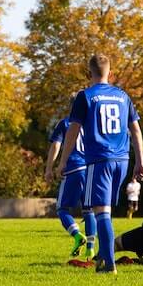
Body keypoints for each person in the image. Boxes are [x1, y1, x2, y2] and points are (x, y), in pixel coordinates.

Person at [57, 54, 143, 274]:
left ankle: (108, 263)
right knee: (105, 211)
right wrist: (140, 161)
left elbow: (73, 130)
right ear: (111, 73)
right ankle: (103, 259)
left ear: (89, 74)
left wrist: (63, 161)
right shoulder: (123, 96)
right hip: (123, 160)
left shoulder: (85, 96)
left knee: (101, 212)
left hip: (99, 159)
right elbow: (135, 130)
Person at [45, 108, 97, 261]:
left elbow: (56, 145)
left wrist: (49, 168)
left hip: (73, 168)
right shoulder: (92, 123)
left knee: (62, 209)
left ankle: (77, 235)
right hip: (90, 169)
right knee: (89, 210)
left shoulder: (66, 123)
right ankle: (90, 250)